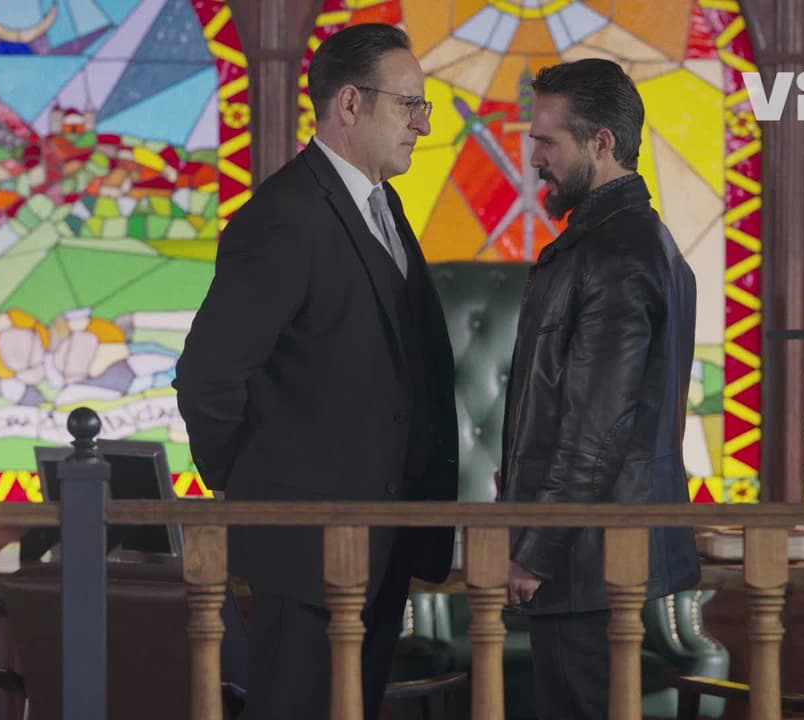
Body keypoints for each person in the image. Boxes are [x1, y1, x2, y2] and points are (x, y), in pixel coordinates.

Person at [172, 23, 459, 720]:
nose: (423, 125)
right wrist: (255, 491)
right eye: (409, 105)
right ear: (350, 104)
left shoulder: (384, 204)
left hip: (384, 544)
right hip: (303, 552)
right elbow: (208, 376)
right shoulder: (284, 215)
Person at [498, 58, 702, 720]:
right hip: (594, 552)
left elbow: (596, 428)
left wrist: (535, 552)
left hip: (585, 561)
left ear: (601, 143)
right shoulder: (633, 240)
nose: (535, 158)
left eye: (548, 141)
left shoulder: (615, 254)